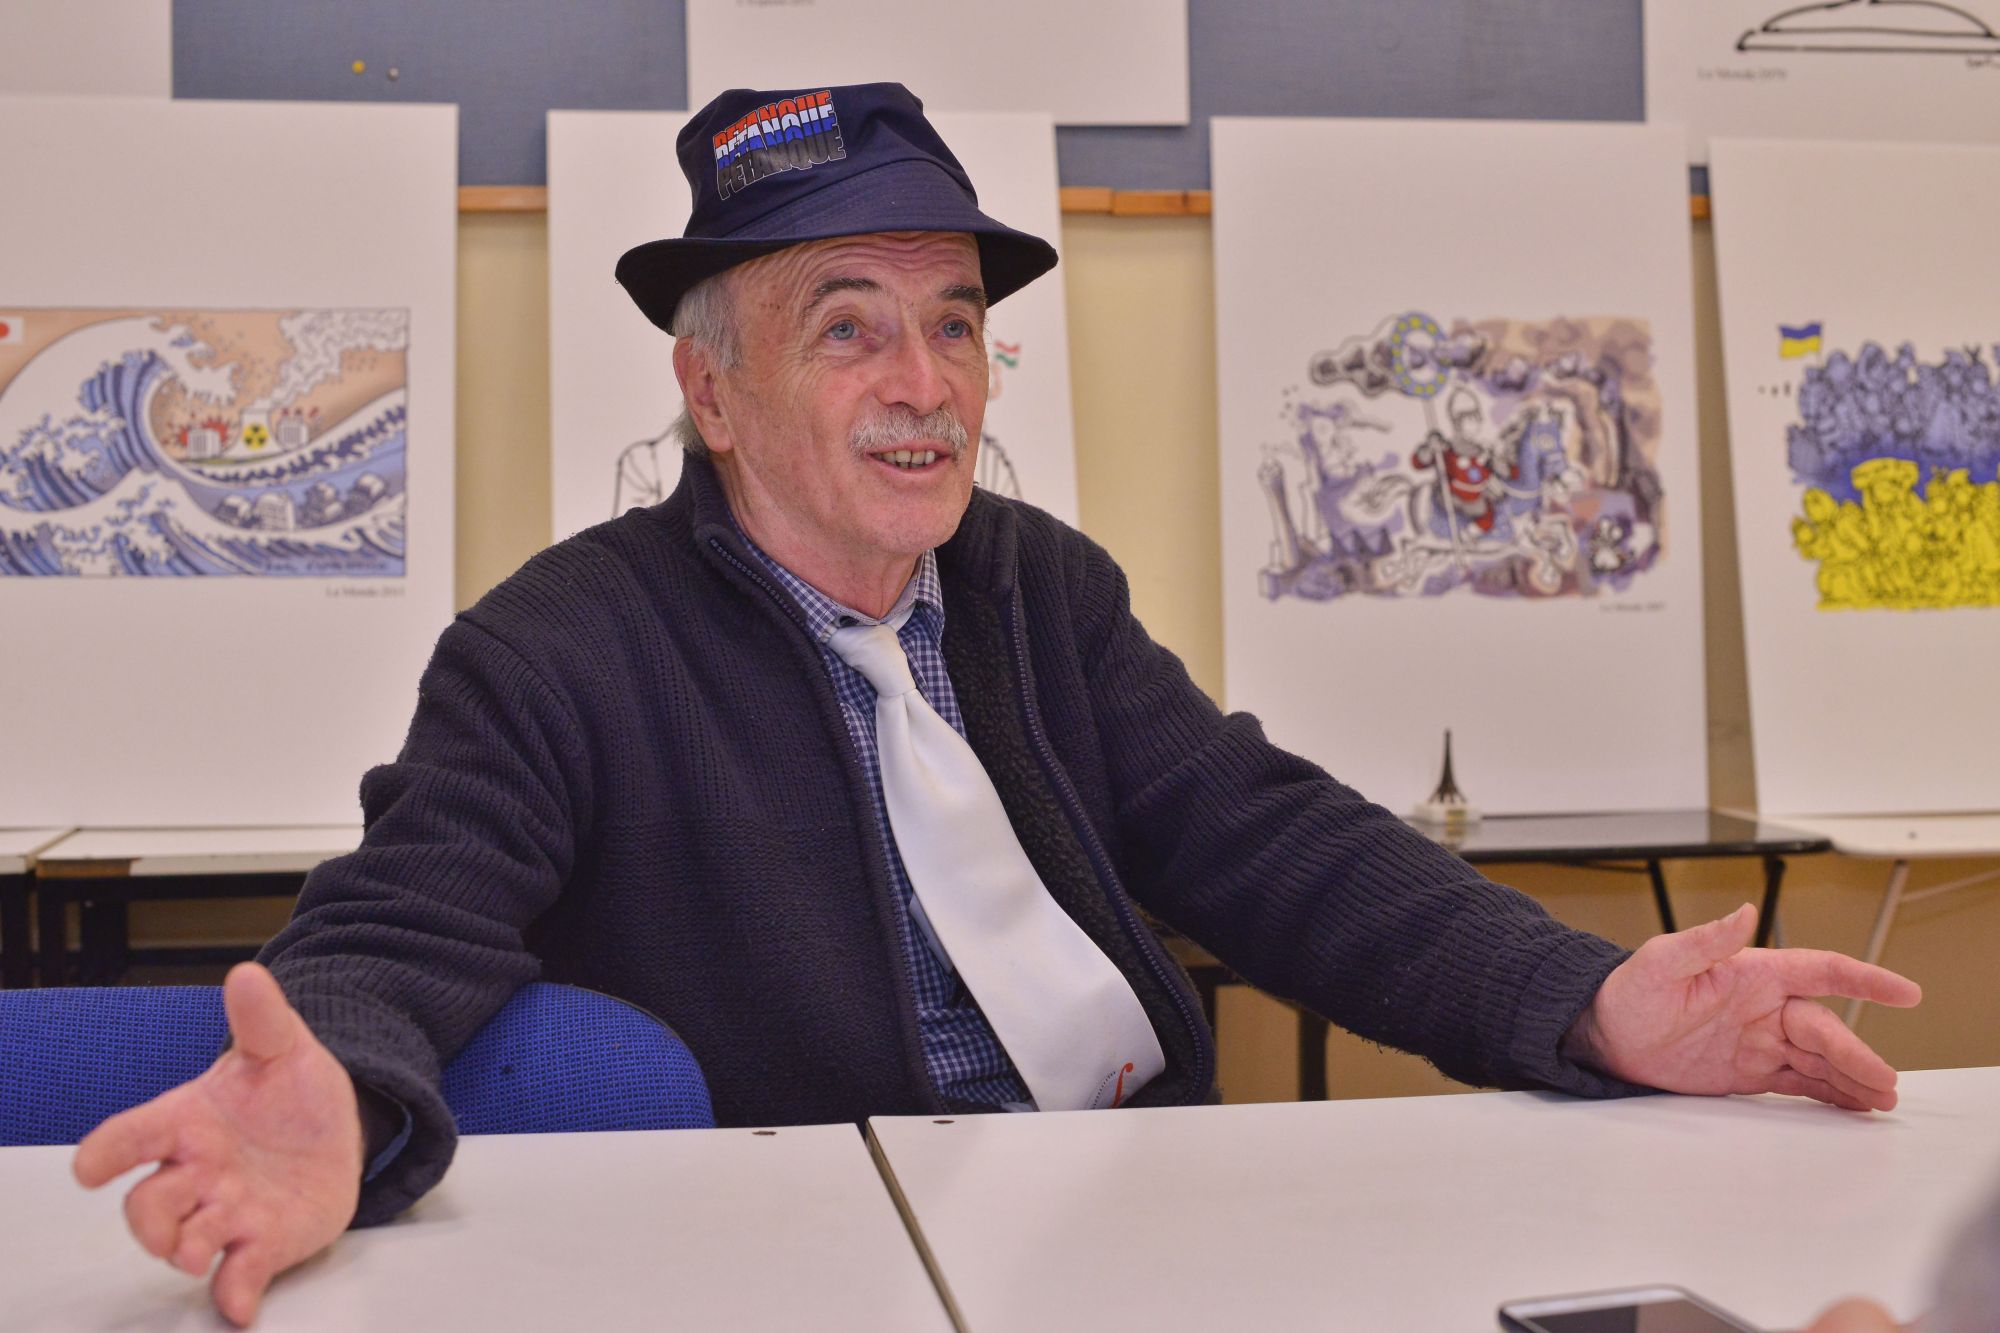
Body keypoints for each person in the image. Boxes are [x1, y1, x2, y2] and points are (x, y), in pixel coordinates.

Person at [70, 83, 1921, 1327]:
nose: (926, 381)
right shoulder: (559, 648)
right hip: (822, 1272)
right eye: (849, 325)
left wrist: (1588, 997)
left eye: (955, 321)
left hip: (1149, 1233)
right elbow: (402, 922)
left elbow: (1277, 843)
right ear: (712, 395)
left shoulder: (1043, 590)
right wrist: (340, 1089)